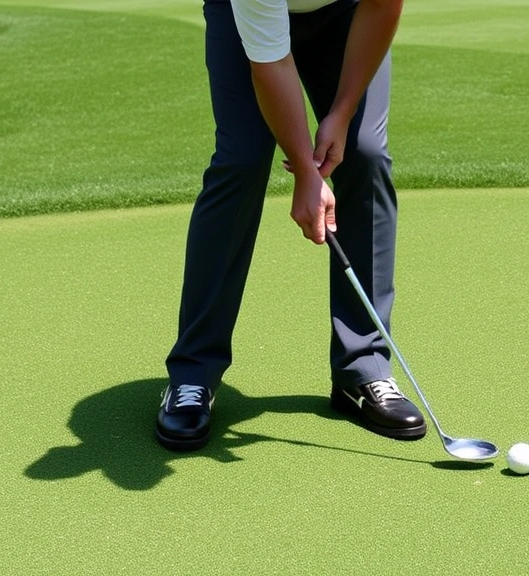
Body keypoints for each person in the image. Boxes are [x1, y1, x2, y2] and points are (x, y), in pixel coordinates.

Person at [155, 0, 426, 451]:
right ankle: (193, 374)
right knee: (241, 160)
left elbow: (382, 6)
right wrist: (305, 169)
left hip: (347, 14)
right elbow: (272, 61)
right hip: (242, 16)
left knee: (366, 153)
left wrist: (340, 115)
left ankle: (365, 369)